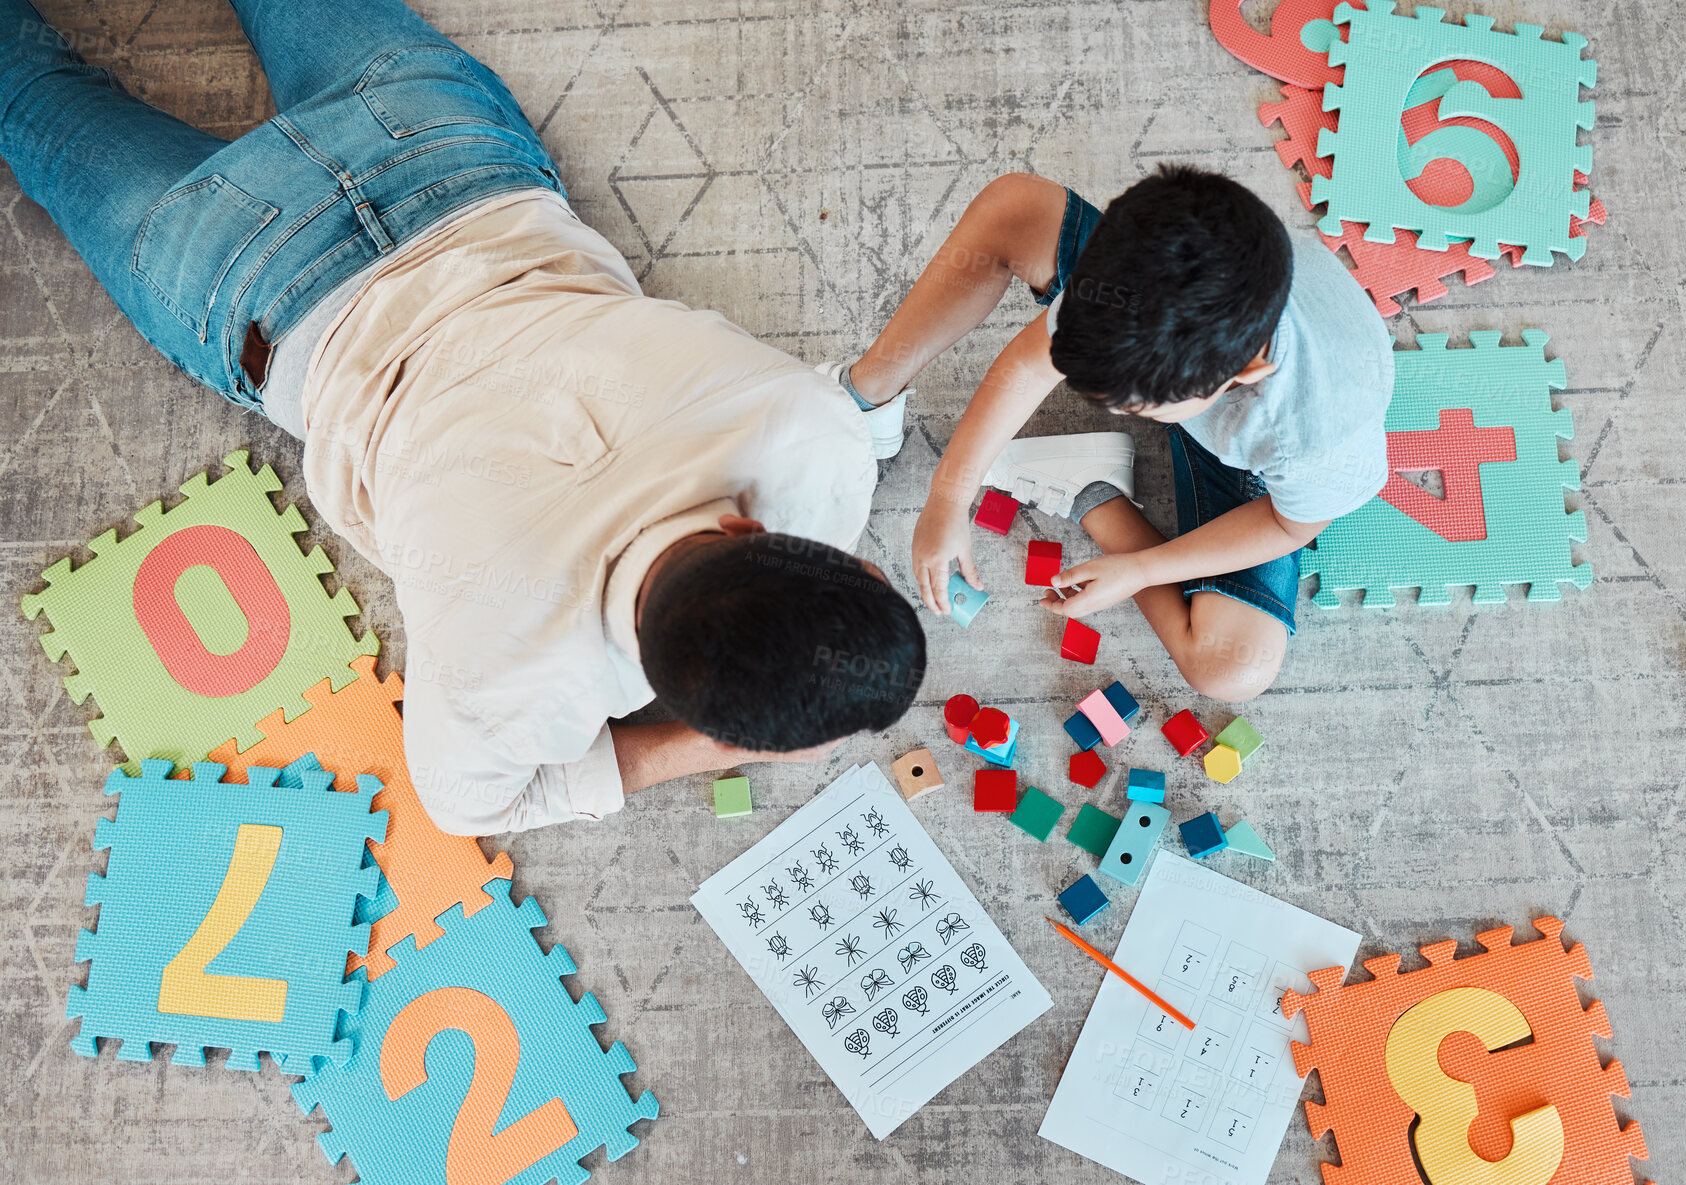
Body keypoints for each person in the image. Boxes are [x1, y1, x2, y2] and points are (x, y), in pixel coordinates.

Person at [0, 0, 924, 834]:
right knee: (28, 94)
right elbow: (463, 806)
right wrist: (715, 749)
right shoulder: (514, 686)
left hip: (437, 148)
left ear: (748, 523)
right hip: (255, 291)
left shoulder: (809, 433)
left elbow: (855, 421)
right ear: (656, 684)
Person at [823, 167, 1393, 700]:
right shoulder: (1122, 288)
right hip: (1193, 355)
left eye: (1136, 406)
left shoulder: (1316, 432)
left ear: (1242, 376)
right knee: (1014, 205)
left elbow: (1286, 524)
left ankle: (1094, 495)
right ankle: (867, 394)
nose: (1117, 414)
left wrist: (1140, 569)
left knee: (1231, 668)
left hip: (1253, 470)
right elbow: (1026, 367)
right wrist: (948, 493)